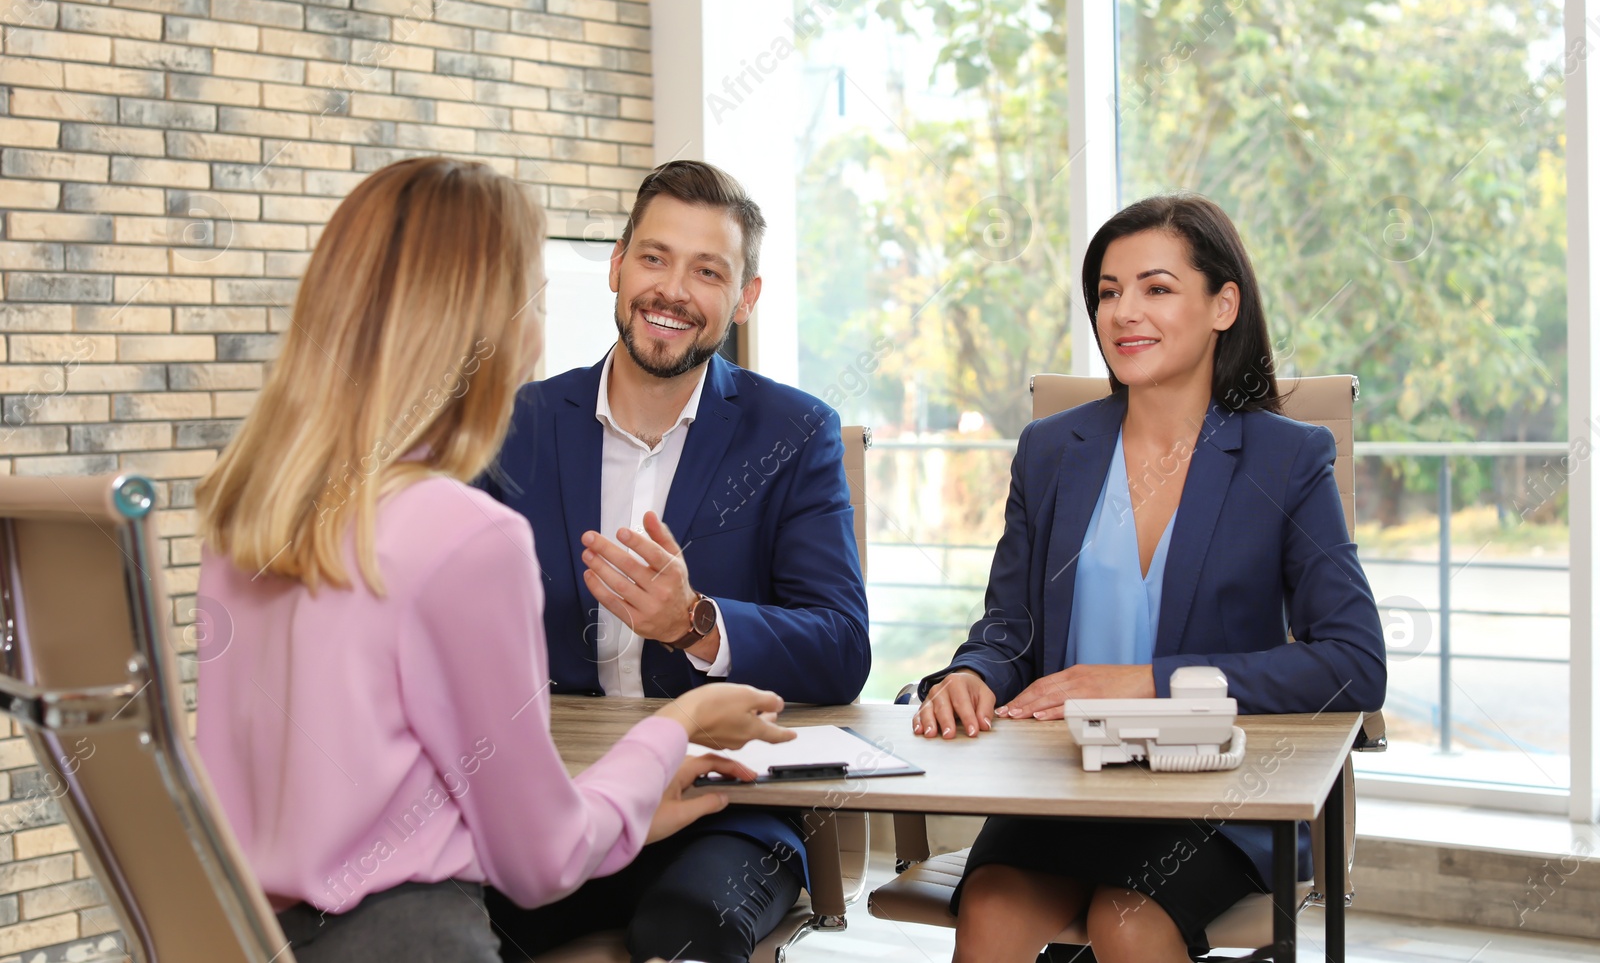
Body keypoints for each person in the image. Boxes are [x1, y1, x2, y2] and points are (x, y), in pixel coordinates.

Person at [194, 156, 796, 963]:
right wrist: (677, 726)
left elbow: (370, 791)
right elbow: (541, 858)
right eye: (532, 297)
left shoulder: (247, 509)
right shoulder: (464, 533)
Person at [913, 194, 1387, 963]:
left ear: (1223, 304)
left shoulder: (1287, 459)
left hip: (1210, 794)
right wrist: (973, 673)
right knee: (994, 905)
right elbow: (1011, 630)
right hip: (1064, 783)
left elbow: (1355, 663)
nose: (1124, 311)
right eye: (1107, 291)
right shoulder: (1049, 450)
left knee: (1126, 919)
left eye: (1156, 288)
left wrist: (1148, 681)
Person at [482, 160, 872, 962]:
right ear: (618, 265)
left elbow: (841, 649)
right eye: (655, 259)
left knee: (684, 930)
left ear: (745, 298)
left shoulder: (794, 433)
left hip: (727, 802)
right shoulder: (514, 424)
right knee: (453, 926)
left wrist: (696, 624)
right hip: (558, 794)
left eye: (708, 271)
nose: (672, 291)